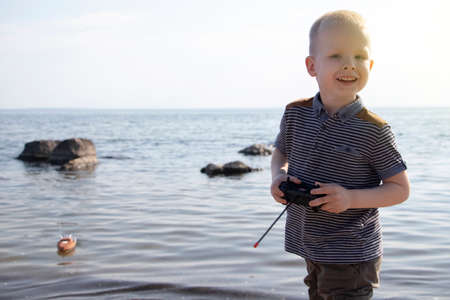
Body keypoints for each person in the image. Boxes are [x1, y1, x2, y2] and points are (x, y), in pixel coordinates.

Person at [270, 10, 410, 300]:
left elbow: (400, 190)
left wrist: (350, 198)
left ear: (370, 64)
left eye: (359, 56)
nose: (350, 65)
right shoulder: (296, 113)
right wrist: (278, 175)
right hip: (311, 244)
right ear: (312, 66)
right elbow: (280, 150)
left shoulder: (374, 129)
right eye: (336, 56)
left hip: (352, 254)